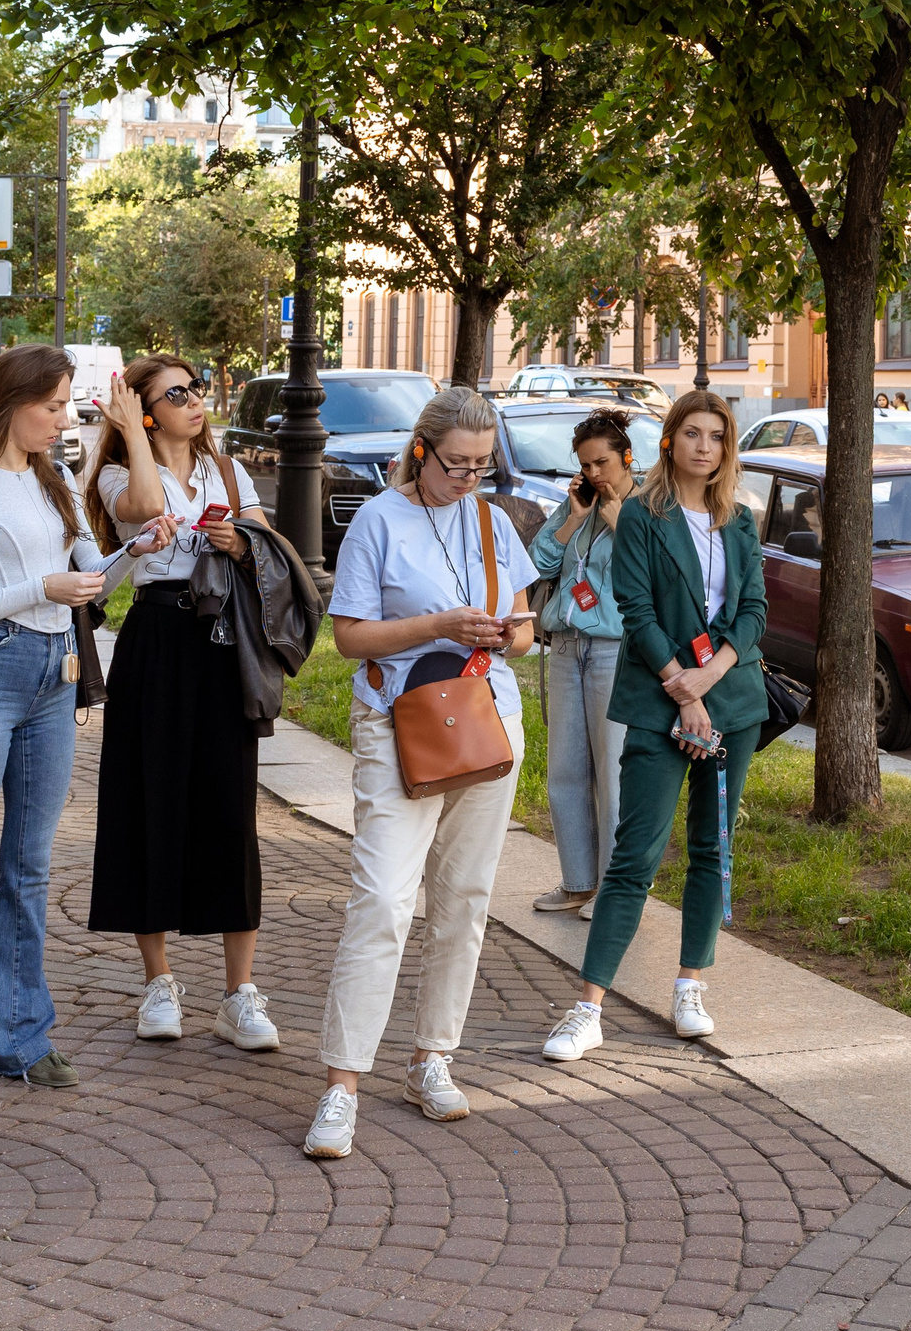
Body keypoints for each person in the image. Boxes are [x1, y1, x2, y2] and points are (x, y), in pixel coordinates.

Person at [0, 344, 160, 1101]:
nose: (63, 417)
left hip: (56, 676)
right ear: (9, 403)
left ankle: (22, 1039)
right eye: (50, 404)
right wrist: (34, 586)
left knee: (31, 865)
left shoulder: (53, 485)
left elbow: (86, 583)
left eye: (65, 404)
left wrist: (136, 551)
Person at [306, 387, 536, 1158]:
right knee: (382, 900)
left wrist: (511, 634)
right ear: (420, 449)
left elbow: (529, 630)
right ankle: (342, 1084)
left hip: (484, 721)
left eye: (482, 465)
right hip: (400, 725)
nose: (469, 478)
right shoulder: (378, 520)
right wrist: (439, 624)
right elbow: (349, 637)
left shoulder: (494, 520)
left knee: (464, 901)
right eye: (456, 464)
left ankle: (432, 1056)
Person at [541, 389, 767, 1064]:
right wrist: (681, 687)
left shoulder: (741, 519)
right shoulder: (641, 514)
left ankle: (690, 984)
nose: (705, 446)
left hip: (730, 699)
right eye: (691, 433)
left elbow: (752, 609)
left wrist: (709, 677)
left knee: (712, 849)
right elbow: (635, 609)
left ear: (727, 447)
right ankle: (587, 1008)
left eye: (716, 436)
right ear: (669, 441)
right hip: (658, 699)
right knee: (635, 855)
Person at [84, 355, 282, 1052]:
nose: (195, 401)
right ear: (144, 411)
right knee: (150, 800)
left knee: (231, 809)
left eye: (195, 389)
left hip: (225, 640)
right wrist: (133, 436)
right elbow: (139, 508)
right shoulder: (115, 472)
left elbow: (272, 548)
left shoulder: (227, 472)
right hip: (157, 638)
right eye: (175, 394)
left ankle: (239, 991)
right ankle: (159, 980)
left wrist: (242, 539)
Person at [527, 408, 636, 915]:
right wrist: (573, 517)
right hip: (567, 647)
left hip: (616, 652)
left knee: (613, 774)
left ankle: (615, 889)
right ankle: (577, 881)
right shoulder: (578, 506)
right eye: (585, 465)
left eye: (602, 463)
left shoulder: (650, 509)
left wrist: (623, 526)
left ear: (626, 458)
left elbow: (659, 578)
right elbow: (539, 562)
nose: (594, 474)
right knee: (566, 771)